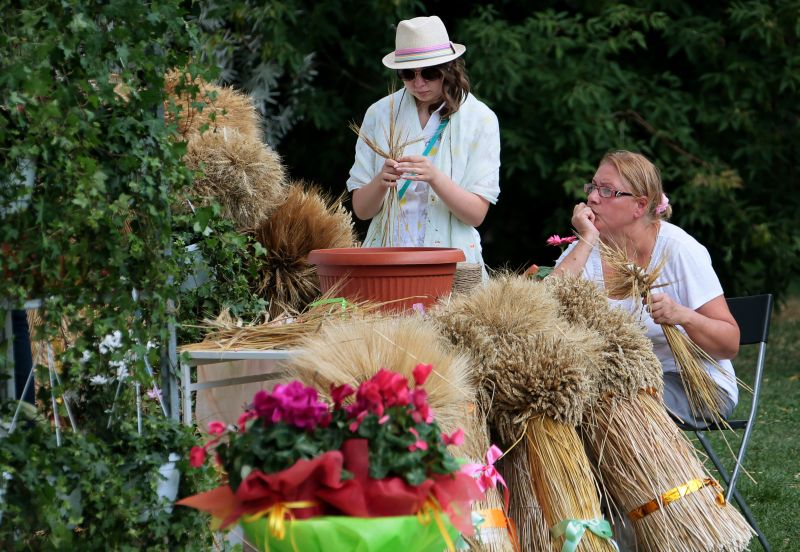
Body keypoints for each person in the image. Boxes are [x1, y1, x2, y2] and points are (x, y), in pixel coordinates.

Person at [553, 150, 740, 424]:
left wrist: (683, 316)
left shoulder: (678, 249)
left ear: (639, 206)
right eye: (592, 187)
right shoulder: (585, 249)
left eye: (607, 191)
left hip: (692, 382)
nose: (592, 197)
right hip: (613, 382)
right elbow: (543, 303)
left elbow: (729, 344)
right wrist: (588, 238)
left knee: (614, 407)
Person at [347, 15, 500, 276]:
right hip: (387, 254)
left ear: (449, 68)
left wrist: (435, 178)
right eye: (408, 74)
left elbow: (476, 215)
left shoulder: (480, 118)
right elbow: (361, 210)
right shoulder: (380, 113)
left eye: (429, 73)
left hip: (453, 261)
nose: (418, 84)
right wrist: (381, 182)